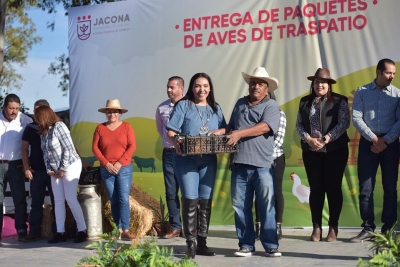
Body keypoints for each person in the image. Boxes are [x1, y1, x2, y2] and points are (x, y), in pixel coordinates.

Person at [212, 67, 282, 257]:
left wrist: (239, 133)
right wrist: (221, 131)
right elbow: (232, 127)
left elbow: (265, 127)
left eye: (260, 84)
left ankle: (270, 245)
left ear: (267, 89)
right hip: (239, 164)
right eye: (253, 83)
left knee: (266, 205)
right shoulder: (240, 103)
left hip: (263, 165)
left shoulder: (271, 106)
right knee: (240, 206)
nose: (256, 87)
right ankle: (246, 245)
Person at [166, 73, 226, 258]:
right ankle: (190, 243)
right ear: (192, 88)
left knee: (205, 202)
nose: (202, 89)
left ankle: (202, 243)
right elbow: (171, 132)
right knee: (191, 200)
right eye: (198, 86)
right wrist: (177, 144)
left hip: (208, 159)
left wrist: (220, 131)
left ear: (210, 88)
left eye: (206, 86)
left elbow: (227, 128)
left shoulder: (216, 108)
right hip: (186, 159)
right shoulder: (183, 105)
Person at [296, 68, 350, 242]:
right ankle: (316, 227)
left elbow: (344, 123)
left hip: (335, 151)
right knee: (316, 189)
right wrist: (309, 139)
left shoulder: (339, 101)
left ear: (329, 85)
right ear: (313, 84)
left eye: (323, 82)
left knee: (333, 189)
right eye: (317, 82)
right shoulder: (304, 101)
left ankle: (333, 227)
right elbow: (299, 125)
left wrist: (326, 139)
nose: (319, 85)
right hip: (311, 152)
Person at [350, 58, 400, 242]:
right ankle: (368, 228)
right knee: (366, 189)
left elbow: (399, 121)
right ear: (378, 72)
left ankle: (388, 229)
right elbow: (356, 117)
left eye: (394, 73)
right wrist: (373, 139)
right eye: (388, 73)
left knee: (390, 188)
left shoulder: (397, 94)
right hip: (368, 144)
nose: (392, 77)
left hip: (391, 144)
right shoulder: (362, 92)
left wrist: (385, 141)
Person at [35, 105, 88, 243]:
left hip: (70, 165)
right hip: (55, 170)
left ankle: (82, 230)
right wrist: (49, 170)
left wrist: (63, 169)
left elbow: (69, 149)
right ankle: (60, 232)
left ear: (45, 116)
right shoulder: (43, 132)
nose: (37, 121)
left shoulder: (60, 126)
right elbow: (45, 155)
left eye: (38, 118)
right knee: (58, 200)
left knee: (70, 198)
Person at [92, 99, 136, 240]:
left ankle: (126, 229)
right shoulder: (100, 128)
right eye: (109, 111)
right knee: (114, 199)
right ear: (106, 113)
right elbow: (95, 148)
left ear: (119, 113)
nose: (112, 114)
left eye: (115, 111)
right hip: (107, 169)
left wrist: (119, 163)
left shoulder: (127, 127)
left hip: (123, 168)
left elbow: (132, 146)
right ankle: (118, 229)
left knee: (123, 198)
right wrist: (106, 163)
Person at [21, 99, 56, 242]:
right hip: (37, 171)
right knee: (36, 203)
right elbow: (23, 149)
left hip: (54, 171)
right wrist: (26, 167)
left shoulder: (56, 126)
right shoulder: (30, 127)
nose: (38, 113)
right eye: (36, 110)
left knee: (57, 201)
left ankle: (59, 231)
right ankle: (34, 232)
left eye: (41, 109)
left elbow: (68, 146)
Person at [254, 91, 286, 241]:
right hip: (257, 158)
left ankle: (277, 226)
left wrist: (263, 153)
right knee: (259, 193)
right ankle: (259, 226)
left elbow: (278, 139)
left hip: (275, 157)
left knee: (276, 191)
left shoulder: (280, 114)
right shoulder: (255, 113)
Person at [0, 94, 32, 241]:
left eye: (17, 108)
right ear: (4, 107)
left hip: (16, 165)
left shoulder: (25, 120)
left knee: (19, 198)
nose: (14, 111)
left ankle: (21, 229)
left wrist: (28, 160)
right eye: (11, 108)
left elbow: (34, 142)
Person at [155, 76, 184, 238]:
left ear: (181, 88)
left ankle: (190, 227)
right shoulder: (161, 108)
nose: (168, 90)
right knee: (171, 192)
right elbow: (161, 130)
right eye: (168, 87)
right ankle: (175, 227)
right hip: (169, 153)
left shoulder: (189, 105)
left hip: (186, 154)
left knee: (188, 192)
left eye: (172, 87)